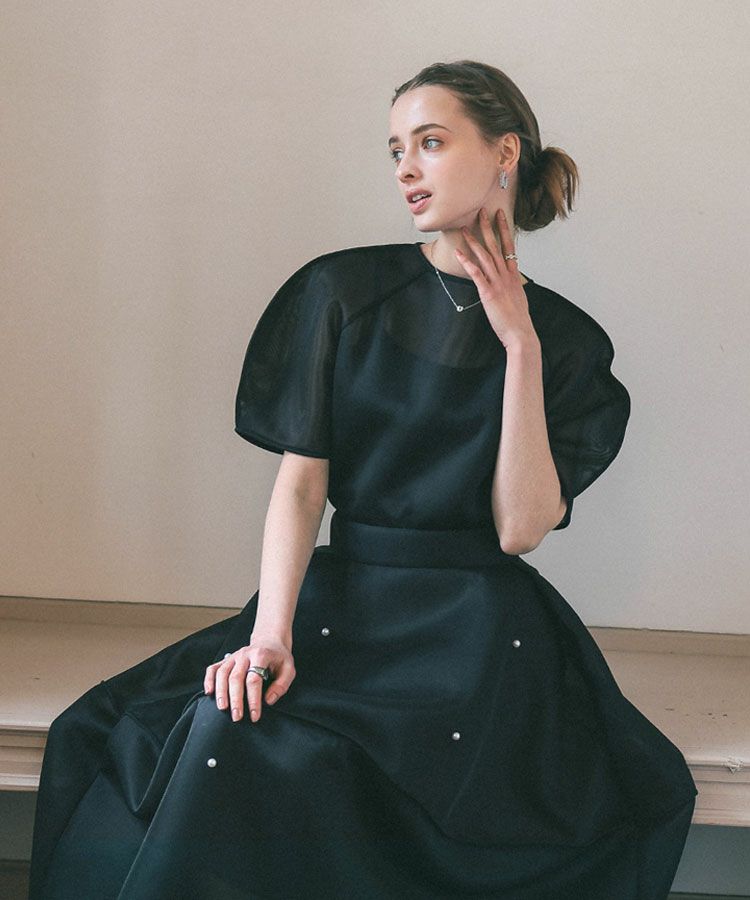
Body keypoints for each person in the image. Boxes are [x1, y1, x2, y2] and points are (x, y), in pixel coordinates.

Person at [29, 59, 697, 899]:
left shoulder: (566, 342)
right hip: (342, 600)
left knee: (322, 764)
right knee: (172, 730)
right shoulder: (341, 290)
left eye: (430, 142)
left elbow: (519, 529)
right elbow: (300, 488)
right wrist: (271, 635)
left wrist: (520, 344)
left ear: (504, 152)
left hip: (476, 630)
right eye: (395, 150)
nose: (406, 168)